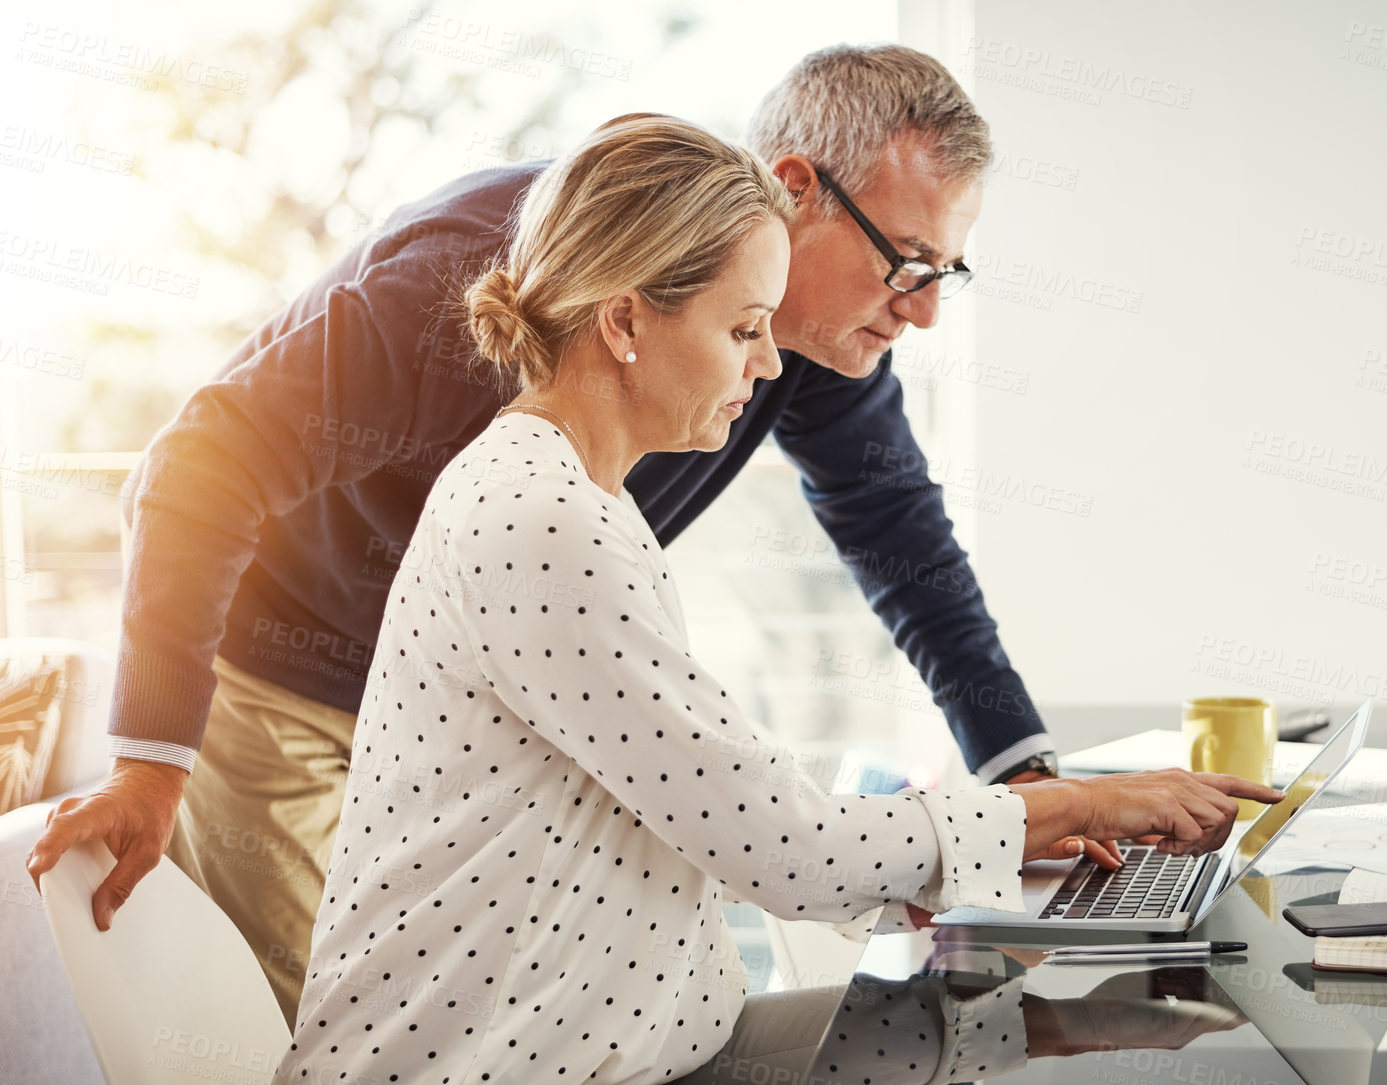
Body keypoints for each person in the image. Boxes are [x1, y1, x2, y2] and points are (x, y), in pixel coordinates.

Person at [27, 45, 1117, 1023]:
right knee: (346, 1013)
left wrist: (1027, 780)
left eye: (944, 273)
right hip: (284, 668)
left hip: (482, 704)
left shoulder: (810, 344)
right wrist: (150, 753)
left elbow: (907, 547)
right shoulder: (470, 287)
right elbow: (194, 467)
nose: (922, 308)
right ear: (796, 190)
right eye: (907, 260)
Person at [271, 114, 1281, 1085]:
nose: (764, 365)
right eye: (744, 327)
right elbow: (786, 847)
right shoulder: (543, 522)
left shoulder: (574, 494)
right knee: (1085, 1039)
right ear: (624, 320)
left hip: (630, 1041)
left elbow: (739, 804)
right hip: (520, 1064)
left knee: (1039, 1031)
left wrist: (955, 851)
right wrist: (1064, 806)